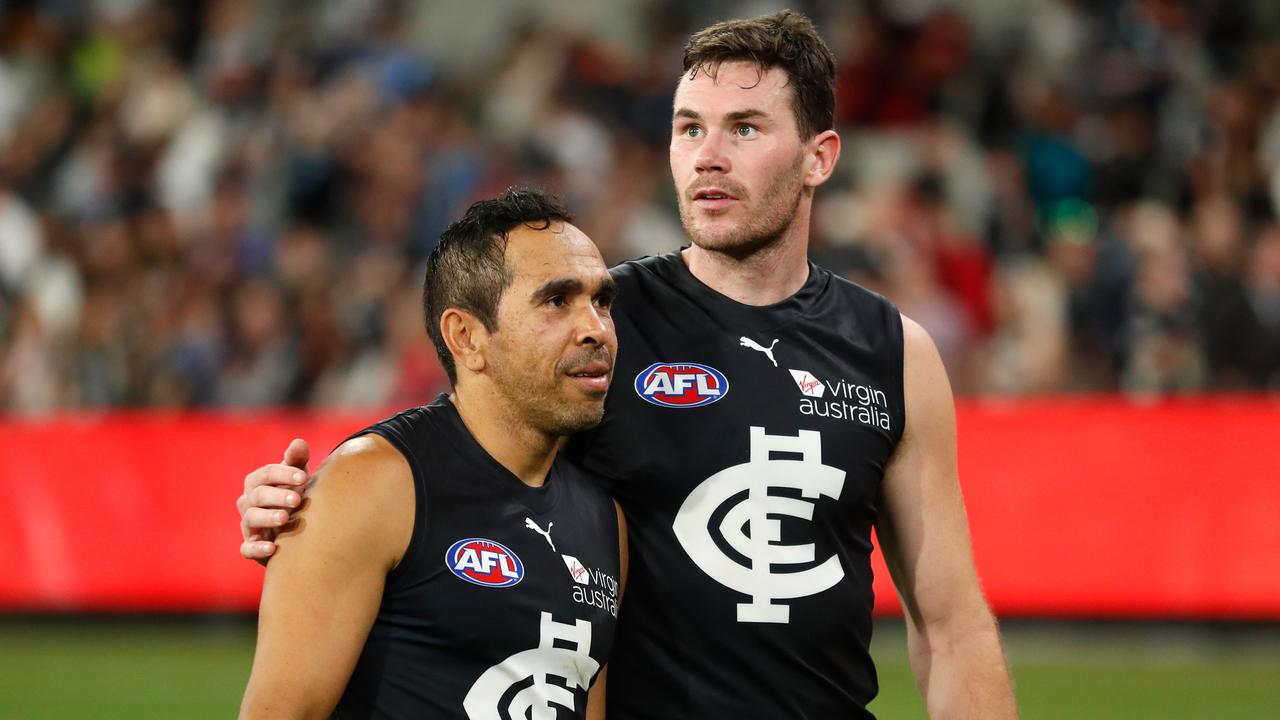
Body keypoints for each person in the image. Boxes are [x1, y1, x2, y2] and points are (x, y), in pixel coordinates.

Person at [237, 11, 1018, 719]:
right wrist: (308, 502)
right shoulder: (601, 322)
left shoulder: (895, 354)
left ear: (820, 158)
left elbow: (951, 629)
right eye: (688, 128)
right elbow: (452, 453)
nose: (707, 157)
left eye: (744, 129)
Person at [238, 189, 626, 719]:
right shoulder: (374, 484)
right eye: (557, 300)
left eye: (602, 301)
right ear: (465, 337)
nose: (596, 329)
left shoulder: (607, 523)